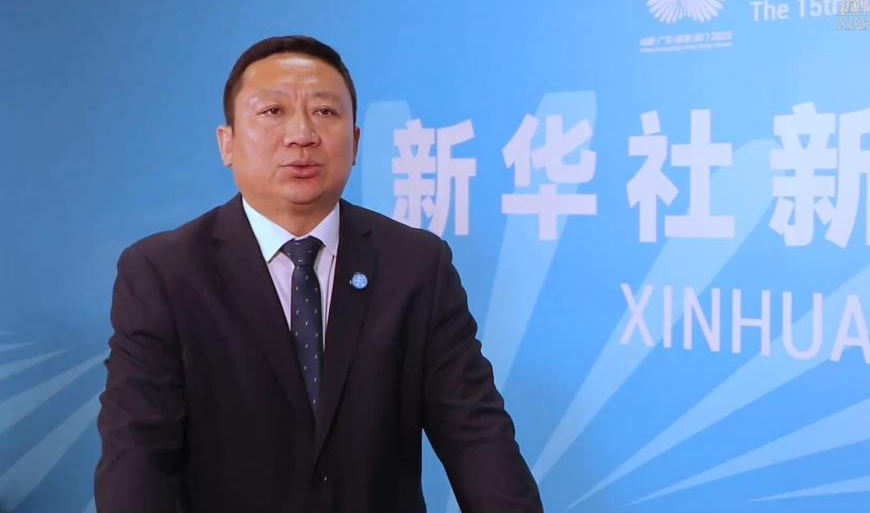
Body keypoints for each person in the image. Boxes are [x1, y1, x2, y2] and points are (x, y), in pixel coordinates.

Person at [94, 35, 542, 512]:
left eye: (325, 112)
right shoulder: (165, 274)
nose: (302, 135)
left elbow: (478, 438)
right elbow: (137, 457)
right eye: (273, 111)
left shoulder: (415, 265)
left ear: (356, 142)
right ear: (227, 143)